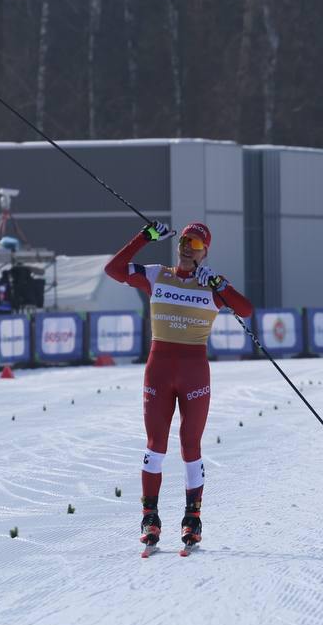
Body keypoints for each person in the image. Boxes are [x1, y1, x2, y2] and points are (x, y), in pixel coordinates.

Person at [104, 220, 253, 552]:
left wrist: (220, 284)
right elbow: (113, 269)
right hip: (159, 369)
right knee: (155, 445)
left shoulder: (212, 286)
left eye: (196, 244)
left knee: (190, 444)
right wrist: (144, 237)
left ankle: (192, 518)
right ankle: (150, 518)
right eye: (185, 241)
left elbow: (246, 310)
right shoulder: (158, 275)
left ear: (205, 252)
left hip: (194, 372)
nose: (188, 248)